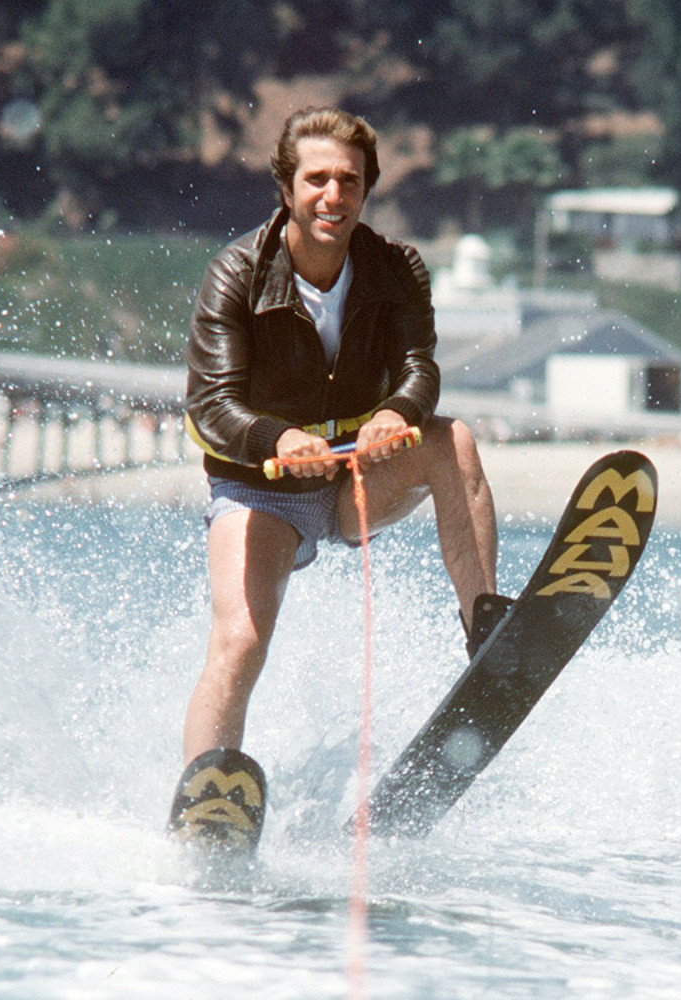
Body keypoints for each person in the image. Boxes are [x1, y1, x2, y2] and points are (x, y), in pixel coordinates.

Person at [173, 107, 508, 831]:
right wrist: (279, 437)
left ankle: (487, 631)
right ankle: (206, 796)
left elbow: (419, 368)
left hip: (355, 476)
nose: (333, 196)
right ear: (287, 189)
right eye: (317, 180)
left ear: (366, 189)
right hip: (260, 486)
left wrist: (398, 412)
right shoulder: (237, 273)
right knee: (240, 641)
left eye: (349, 181)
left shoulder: (395, 268)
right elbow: (210, 404)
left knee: (452, 441)